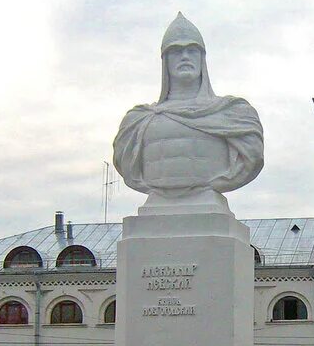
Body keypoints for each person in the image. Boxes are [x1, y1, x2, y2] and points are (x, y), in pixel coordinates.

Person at [113, 13, 264, 205]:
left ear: (202, 58)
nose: (184, 56)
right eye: (176, 50)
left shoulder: (233, 113)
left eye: (192, 50)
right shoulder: (137, 121)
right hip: (155, 208)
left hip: (211, 208)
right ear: (165, 60)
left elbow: (253, 157)